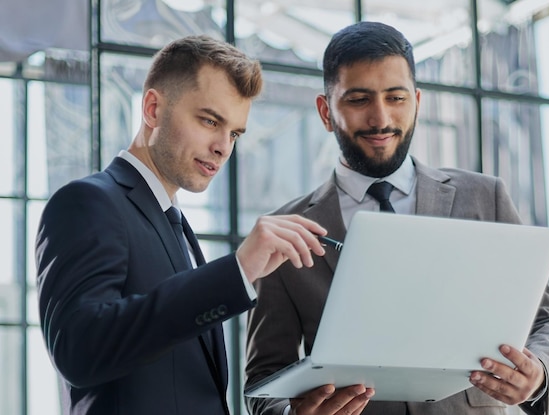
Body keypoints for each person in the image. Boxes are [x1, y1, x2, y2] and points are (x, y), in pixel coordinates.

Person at [245, 21, 549, 415]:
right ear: (325, 111)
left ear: (416, 101)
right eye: (358, 99)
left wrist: (536, 371)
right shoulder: (286, 229)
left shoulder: (485, 198)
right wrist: (293, 413)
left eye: (396, 97)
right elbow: (263, 381)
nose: (380, 118)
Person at [35, 35, 330, 415]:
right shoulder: (88, 203)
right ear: (153, 109)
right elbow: (79, 350)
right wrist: (237, 271)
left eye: (235, 133)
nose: (224, 147)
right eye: (210, 120)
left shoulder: (176, 226)